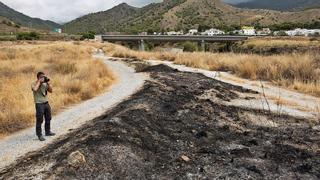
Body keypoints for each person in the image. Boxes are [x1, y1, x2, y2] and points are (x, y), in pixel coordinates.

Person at [31, 72, 55, 141]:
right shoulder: (33, 83)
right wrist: (39, 82)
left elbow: (51, 91)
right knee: (40, 119)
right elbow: (35, 89)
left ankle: (47, 131)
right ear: (38, 77)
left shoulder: (45, 83)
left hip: (46, 103)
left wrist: (48, 83)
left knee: (48, 118)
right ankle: (39, 135)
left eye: (44, 76)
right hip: (39, 104)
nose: (43, 78)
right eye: (42, 77)